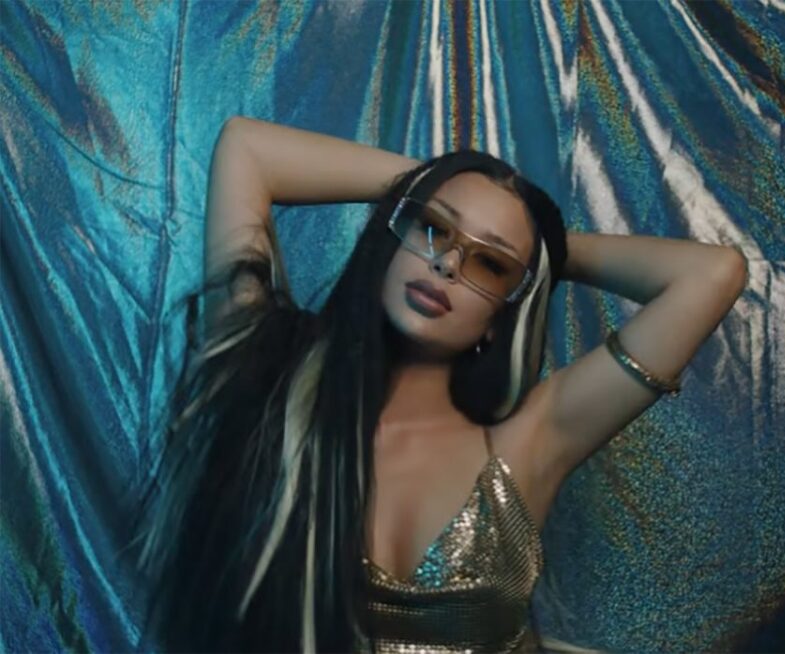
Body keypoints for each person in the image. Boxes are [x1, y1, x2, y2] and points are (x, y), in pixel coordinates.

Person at [125, 116, 747, 653]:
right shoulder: (270, 377)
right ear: (389, 239)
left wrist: (545, 246)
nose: (448, 262)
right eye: (431, 228)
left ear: (505, 311)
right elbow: (247, 148)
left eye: (490, 264)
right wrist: (434, 182)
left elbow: (713, 275)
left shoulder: (527, 443)